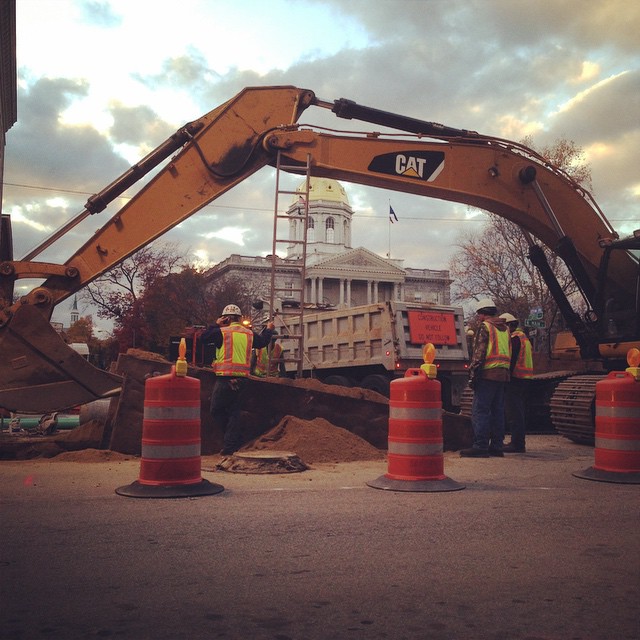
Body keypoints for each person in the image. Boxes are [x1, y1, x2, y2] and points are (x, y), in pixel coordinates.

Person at [202, 304, 275, 455]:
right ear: (240, 318)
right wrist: (269, 329)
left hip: (225, 379)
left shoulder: (221, 332)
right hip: (242, 380)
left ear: (226, 318)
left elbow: (203, 338)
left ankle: (230, 441)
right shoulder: (248, 333)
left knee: (216, 410)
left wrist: (215, 324)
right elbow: (262, 342)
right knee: (234, 412)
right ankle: (230, 446)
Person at [460, 298, 512, 458]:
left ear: (482, 314)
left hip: (487, 374)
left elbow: (479, 353)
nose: (478, 318)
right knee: (497, 412)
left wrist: (473, 375)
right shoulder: (505, 328)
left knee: (480, 411)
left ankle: (480, 446)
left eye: (478, 315)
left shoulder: (486, 327)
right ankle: (496, 446)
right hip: (502, 375)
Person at [499, 312, 533, 453]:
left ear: (509, 325)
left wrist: (505, 377)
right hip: (523, 378)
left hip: (516, 378)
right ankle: (517, 442)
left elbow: (511, 360)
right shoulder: (523, 337)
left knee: (514, 412)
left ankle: (517, 444)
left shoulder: (515, 338)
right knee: (517, 411)